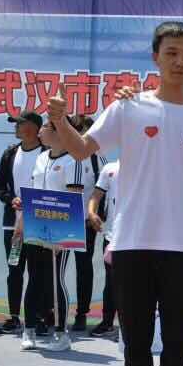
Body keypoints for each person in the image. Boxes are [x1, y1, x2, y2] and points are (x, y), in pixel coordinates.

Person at [50, 20, 183, 366]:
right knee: (136, 335)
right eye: (171, 53)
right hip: (130, 242)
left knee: (177, 336)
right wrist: (58, 120)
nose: (180, 61)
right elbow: (82, 148)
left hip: (182, 245)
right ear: (155, 58)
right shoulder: (128, 108)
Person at [16, 113, 93, 351]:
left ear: (59, 131)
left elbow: (74, 198)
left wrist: (62, 238)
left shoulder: (74, 160)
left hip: (60, 229)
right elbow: (32, 191)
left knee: (55, 279)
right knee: (34, 278)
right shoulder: (40, 158)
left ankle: (61, 334)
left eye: (45, 127)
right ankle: (29, 330)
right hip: (35, 225)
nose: (40, 131)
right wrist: (21, 222)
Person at [0, 111, 44, 334]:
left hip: (39, 225)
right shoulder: (10, 153)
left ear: (33, 127)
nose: (16, 127)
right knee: (15, 269)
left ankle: (38, 318)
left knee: (37, 272)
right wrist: (10, 198)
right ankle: (14, 318)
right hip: (13, 227)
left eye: (20, 123)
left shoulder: (47, 153)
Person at [72, 115, 105, 332]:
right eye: (77, 130)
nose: (80, 134)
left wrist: (96, 216)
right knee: (52, 267)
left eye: (84, 130)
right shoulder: (60, 153)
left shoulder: (97, 158)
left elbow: (104, 190)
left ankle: (81, 313)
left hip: (84, 221)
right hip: (59, 220)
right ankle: (49, 312)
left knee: (83, 268)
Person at [87, 160, 119, 337]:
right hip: (112, 237)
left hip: (137, 239)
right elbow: (96, 196)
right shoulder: (110, 168)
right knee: (111, 282)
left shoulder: (146, 166)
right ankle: (107, 323)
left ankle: (130, 327)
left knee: (136, 284)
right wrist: (92, 213)